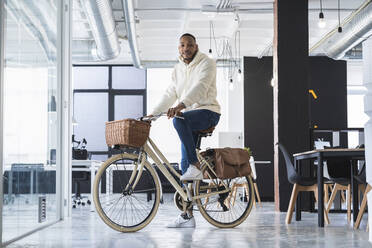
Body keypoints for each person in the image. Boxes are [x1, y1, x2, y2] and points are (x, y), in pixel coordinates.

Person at [149, 33, 221, 228]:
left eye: (189, 45)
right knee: (184, 165)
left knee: (178, 121)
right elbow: (170, 93)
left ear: (196, 46)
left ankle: (196, 166)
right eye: (182, 45)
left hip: (207, 112)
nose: (185, 48)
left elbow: (200, 87)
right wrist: (153, 115)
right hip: (188, 116)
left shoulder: (206, 63)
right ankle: (187, 215)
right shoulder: (178, 69)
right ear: (178, 48)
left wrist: (180, 106)